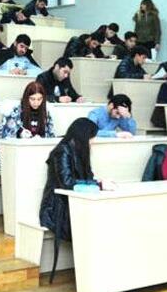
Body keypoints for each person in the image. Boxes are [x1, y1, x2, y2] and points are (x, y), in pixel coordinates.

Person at [39, 118, 116, 279]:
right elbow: (67, 183)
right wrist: (98, 185)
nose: (93, 142)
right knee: (97, 224)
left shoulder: (80, 150)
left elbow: (87, 178)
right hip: (56, 208)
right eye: (92, 138)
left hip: (72, 203)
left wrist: (99, 182)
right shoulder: (62, 151)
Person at [0, 82, 55, 170]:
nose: (36, 103)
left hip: (38, 153)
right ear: (26, 98)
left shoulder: (46, 113)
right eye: (32, 99)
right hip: (18, 154)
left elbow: (50, 136)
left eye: (39, 99)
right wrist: (20, 133)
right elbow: (4, 136)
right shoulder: (16, 111)